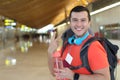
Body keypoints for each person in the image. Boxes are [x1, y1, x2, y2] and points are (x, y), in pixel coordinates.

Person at [48, 6, 110, 80]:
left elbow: (105, 78)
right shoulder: (68, 43)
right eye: (75, 20)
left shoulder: (94, 47)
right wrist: (49, 52)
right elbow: (54, 73)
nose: (79, 24)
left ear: (89, 23)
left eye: (83, 20)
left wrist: (74, 76)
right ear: (70, 23)